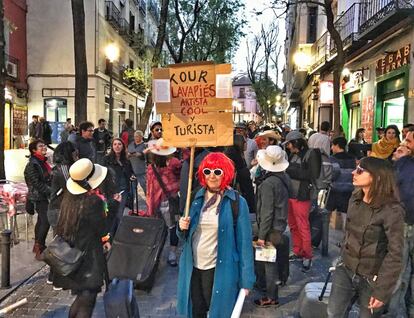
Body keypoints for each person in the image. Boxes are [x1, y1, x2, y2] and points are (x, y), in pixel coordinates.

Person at [177, 152, 255, 318]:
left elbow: (245, 244)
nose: (212, 176)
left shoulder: (237, 202)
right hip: (193, 268)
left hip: (221, 269)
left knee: (218, 313)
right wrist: (181, 227)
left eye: (217, 172)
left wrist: (247, 280)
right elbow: (184, 238)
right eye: (207, 171)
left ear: (225, 174)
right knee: (195, 311)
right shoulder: (195, 197)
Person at [327, 157, 404, 318]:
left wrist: (382, 289)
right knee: (334, 313)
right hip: (346, 268)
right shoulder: (355, 197)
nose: (354, 173)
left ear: (377, 177)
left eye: (360, 170)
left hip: (372, 277)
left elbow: (395, 253)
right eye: (356, 168)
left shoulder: (391, 210)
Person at [53, 158, 115, 318]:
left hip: (73, 255)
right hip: (88, 259)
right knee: (87, 300)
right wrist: (113, 207)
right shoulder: (93, 202)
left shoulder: (69, 199)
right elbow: (102, 227)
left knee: (82, 299)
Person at [254, 145, 290, 307]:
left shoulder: (269, 183)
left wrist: (261, 236)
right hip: (279, 226)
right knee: (273, 261)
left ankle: (271, 297)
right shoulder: (283, 178)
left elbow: (267, 212)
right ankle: (274, 287)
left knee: (269, 264)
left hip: (270, 230)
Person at [283, 130, 321, 272]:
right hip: (291, 194)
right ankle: (298, 251)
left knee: (303, 226)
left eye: (289, 144)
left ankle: (307, 255)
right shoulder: (293, 155)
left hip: (302, 195)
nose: (288, 147)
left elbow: (312, 174)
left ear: (296, 143)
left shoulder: (311, 154)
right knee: (293, 225)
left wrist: (289, 171)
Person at [387, 128, 414, 317]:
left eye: (409, 141)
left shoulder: (404, 164)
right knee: (399, 274)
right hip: (404, 223)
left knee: (400, 273)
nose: (404, 143)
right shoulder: (403, 164)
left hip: (405, 223)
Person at [47, 141, 78, 290]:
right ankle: (56, 279)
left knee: (60, 243)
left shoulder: (61, 167)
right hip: (58, 210)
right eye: (74, 152)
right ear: (68, 153)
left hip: (59, 209)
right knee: (61, 244)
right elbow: (72, 187)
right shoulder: (64, 169)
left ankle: (53, 276)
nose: (76, 154)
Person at [146, 138, 181, 266]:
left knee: (159, 229)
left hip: (156, 201)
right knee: (172, 227)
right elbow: (181, 179)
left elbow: (149, 188)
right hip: (169, 200)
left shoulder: (151, 167)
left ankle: (156, 255)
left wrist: (150, 206)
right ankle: (172, 254)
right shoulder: (175, 163)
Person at [24, 139, 52, 260]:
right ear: (34, 150)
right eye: (41, 146)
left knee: (41, 220)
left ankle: (38, 246)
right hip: (38, 196)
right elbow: (36, 183)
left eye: (44, 145)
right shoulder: (32, 164)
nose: (44, 147)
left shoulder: (42, 161)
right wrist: (50, 191)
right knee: (46, 220)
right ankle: (40, 246)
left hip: (44, 195)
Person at [102, 138, 135, 235]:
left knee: (119, 214)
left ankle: (115, 235)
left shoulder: (126, 160)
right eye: (115, 144)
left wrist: (132, 176)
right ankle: (109, 235)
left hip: (123, 190)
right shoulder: (106, 159)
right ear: (112, 147)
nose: (117, 146)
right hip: (110, 190)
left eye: (119, 144)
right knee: (110, 213)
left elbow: (130, 173)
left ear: (123, 146)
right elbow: (102, 175)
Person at [326, 137, 356, 231]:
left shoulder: (333, 158)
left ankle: (324, 237)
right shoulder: (352, 158)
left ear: (337, 146)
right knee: (346, 215)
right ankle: (345, 240)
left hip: (335, 189)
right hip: (348, 189)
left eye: (332, 145)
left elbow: (334, 174)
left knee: (326, 214)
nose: (331, 148)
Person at [224, 134, 256, 214]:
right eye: (245, 142)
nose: (246, 144)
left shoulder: (233, 155)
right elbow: (243, 176)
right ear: (240, 143)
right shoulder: (236, 157)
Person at [128, 130, 147, 195]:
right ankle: (131, 203)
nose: (136, 138)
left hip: (142, 170)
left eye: (137, 136)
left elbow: (147, 157)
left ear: (141, 137)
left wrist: (141, 155)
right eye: (135, 136)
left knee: (145, 187)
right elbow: (127, 152)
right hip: (132, 169)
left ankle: (149, 202)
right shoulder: (131, 144)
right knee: (132, 189)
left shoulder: (145, 145)